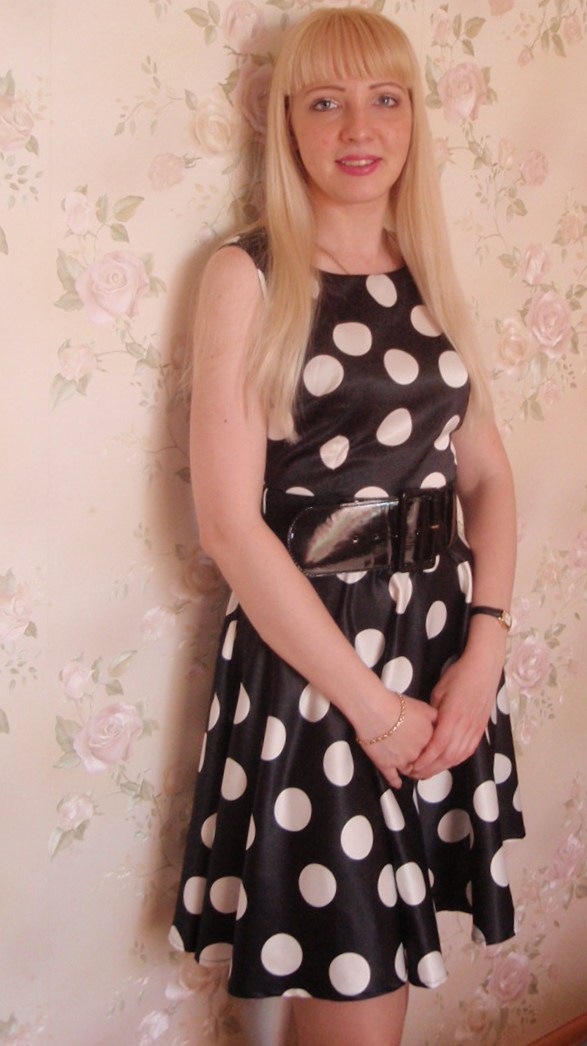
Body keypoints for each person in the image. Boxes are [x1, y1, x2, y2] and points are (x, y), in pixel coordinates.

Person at [171, 8, 525, 1045]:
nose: (357, 127)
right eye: (325, 101)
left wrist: (484, 647)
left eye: (384, 99)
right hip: (320, 661)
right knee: (354, 963)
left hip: (438, 644)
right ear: (287, 120)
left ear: (414, 118)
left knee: (382, 964)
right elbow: (229, 527)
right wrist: (372, 711)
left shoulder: (427, 268)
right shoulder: (246, 273)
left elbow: (489, 475)